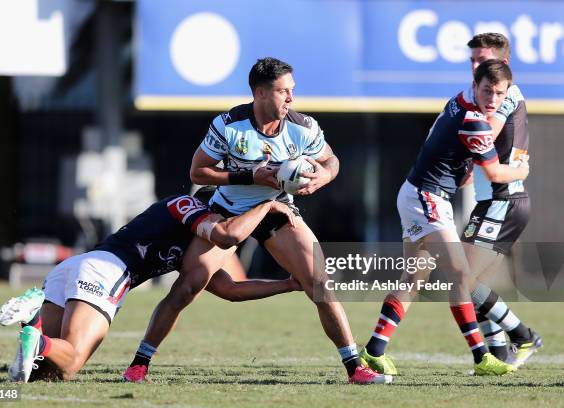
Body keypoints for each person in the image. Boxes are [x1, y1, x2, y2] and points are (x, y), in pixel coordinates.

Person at [181, 57, 390, 384]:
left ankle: (354, 368)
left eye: (292, 90)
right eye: (283, 91)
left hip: (278, 209)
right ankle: (140, 363)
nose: (291, 98)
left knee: (321, 284)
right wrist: (251, 175)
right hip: (229, 210)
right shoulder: (229, 125)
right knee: (188, 286)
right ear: (260, 93)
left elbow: (331, 160)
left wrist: (324, 175)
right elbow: (198, 171)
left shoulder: (303, 127)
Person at [0, 188, 301, 382]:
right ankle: (37, 335)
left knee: (43, 372)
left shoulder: (197, 253)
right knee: (72, 363)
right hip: (105, 270)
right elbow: (224, 233)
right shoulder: (188, 205)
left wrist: (288, 285)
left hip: (76, 269)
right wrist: (265, 206)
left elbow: (230, 289)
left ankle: (32, 321)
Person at [359, 60, 529, 376]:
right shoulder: (476, 123)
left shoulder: (457, 100)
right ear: (475, 85)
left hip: (417, 193)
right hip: (427, 197)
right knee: (461, 275)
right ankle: (482, 357)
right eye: (487, 91)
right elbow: (494, 173)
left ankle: (374, 350)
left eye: (499, 94)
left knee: (413, 279)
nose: (493, 99)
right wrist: (523, 169)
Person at [460, 33, 542, 367]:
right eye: (473, 60)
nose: (476, 66)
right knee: (466, 280)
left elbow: (487, 132)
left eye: (483, 60)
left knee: (462, 278)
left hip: (504, 198)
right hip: (490, 200)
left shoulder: (507, 94)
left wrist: (458, 149)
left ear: (503, 66)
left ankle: (522, 336)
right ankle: (497, 352)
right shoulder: (479, 95)